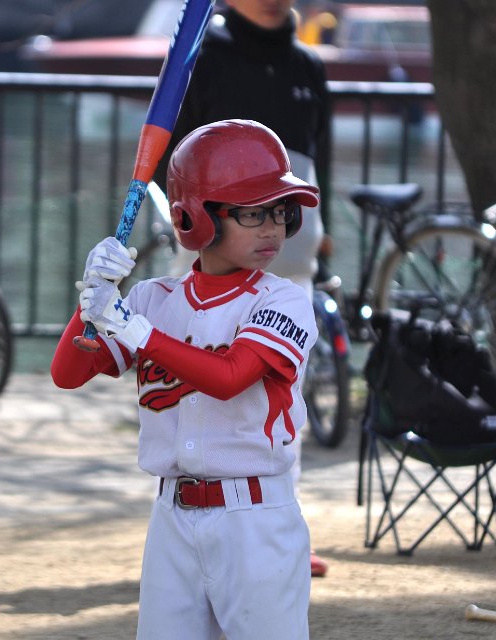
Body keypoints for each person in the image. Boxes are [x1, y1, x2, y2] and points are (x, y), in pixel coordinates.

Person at [51, 119, 318, 640]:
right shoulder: (153, 299)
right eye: (252, 212)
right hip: (171, 518)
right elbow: (68, 373)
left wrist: (136, 331)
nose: (272, 227)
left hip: (255, 519)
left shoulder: (283, 299)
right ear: (195, 217)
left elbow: (230, 377)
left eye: (281, 211)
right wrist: (92, 297)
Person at [155, 0, 333, 577]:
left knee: (281, 392)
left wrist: (321, 228)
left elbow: (320, 158)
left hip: (289, 252)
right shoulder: (206, 54)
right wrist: (189, 223)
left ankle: (282, 521)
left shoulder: (308, 64)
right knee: (197, 384)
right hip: (211, 249)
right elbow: (171, 152)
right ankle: (192, 515)